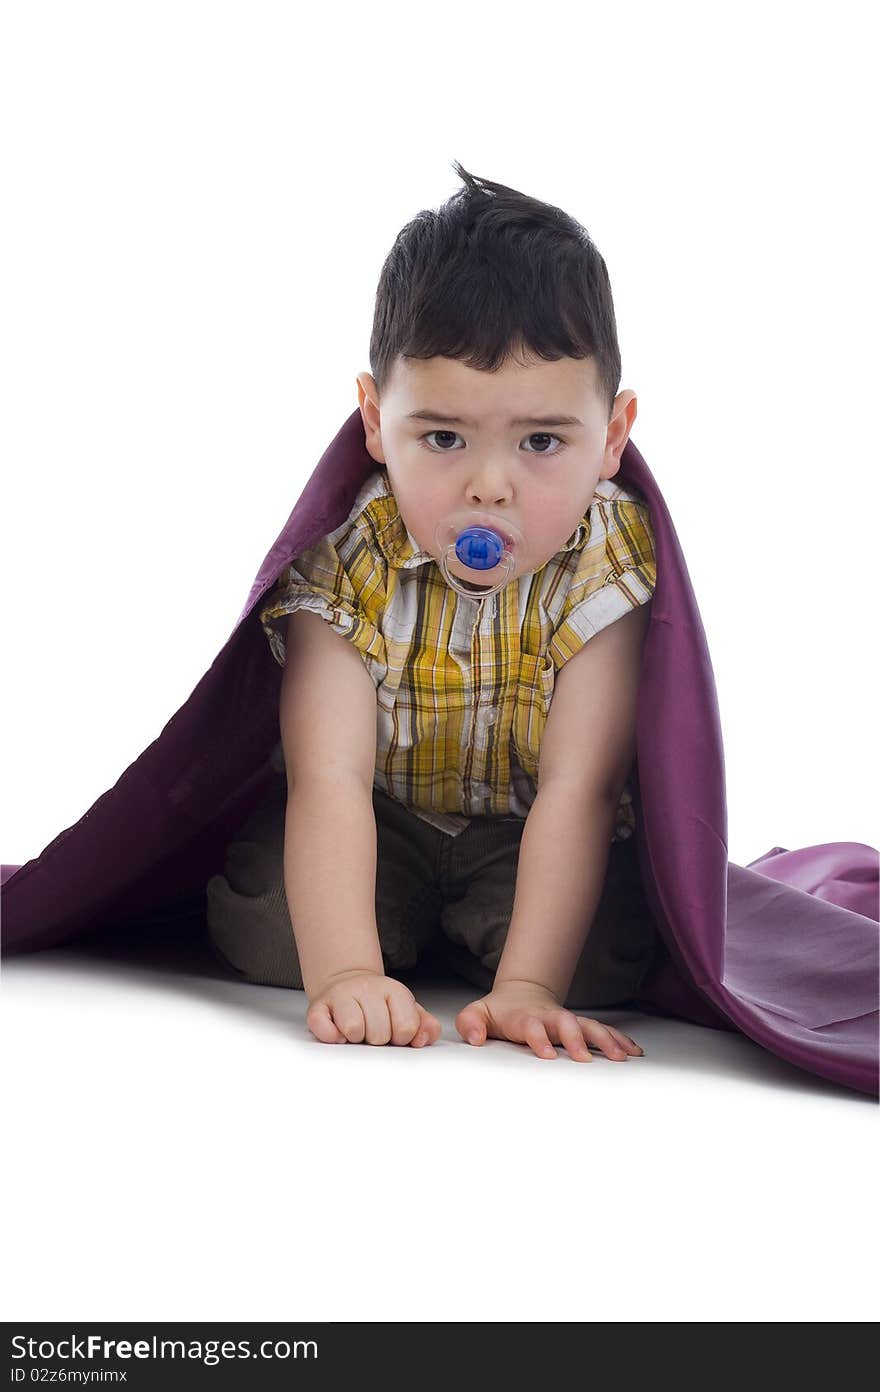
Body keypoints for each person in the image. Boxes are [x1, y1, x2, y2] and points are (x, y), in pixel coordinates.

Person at [205, 161, 664, 1063]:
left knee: (612, 953)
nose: (487, 487)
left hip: (528, 827)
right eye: (443, 437)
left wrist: (532, 988)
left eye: (540, 442)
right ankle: (402, 939)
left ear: (612, 436)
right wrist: (343, 974)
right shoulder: (351, 552)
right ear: (377, 421)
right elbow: (327, 777)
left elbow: (583, 789)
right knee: (270, 933)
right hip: (381, 818)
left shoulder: (608, 556)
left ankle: (490, 948)